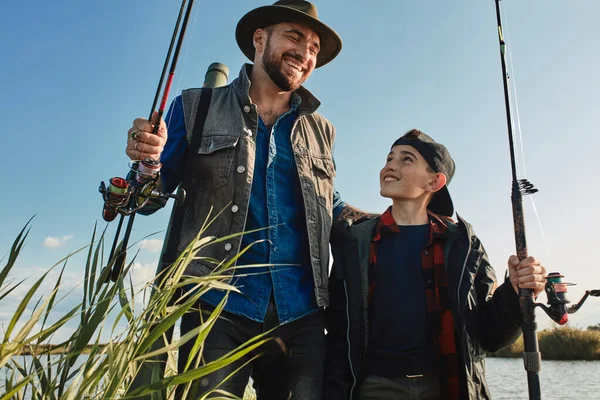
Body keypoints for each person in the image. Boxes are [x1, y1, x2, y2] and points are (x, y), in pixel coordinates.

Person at [124, 1, 371, 398]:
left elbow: (329, 201)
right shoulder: (195, 106)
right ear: (260, 38)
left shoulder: (322, 129)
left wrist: (389, 219)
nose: (305, 53)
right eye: (294, 37)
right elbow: (148, 198)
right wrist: (149, 162)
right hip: (215, 309)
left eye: (313, 47)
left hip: (303, 313)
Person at [324, 129, 548, 400]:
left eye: (406, 159)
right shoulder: (355, 241)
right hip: (374, 387)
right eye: (389, 158)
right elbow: (338, 330)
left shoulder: (465, 245)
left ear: (435, 182)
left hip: (448, 386)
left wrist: (515, 291)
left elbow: (488, 335)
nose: (390, 166)